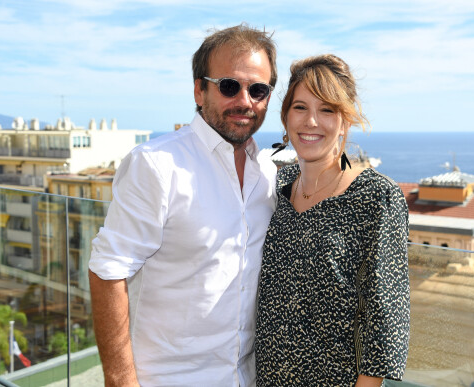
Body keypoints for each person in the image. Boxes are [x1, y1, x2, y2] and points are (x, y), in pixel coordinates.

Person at [89, 24, 278, 387]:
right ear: (199, 89)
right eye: (228, 86)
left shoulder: (267, 173)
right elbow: (107, 270)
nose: (245, 101)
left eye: (258, 90)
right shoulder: (157, 164)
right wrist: (120, 380)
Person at [255, 54, 410, 386]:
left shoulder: (375, 197)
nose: (311, 121)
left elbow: (385, 323)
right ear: (285, 118)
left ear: (345, 121)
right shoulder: (279, 187)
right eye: (300, 107)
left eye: (327, 110)